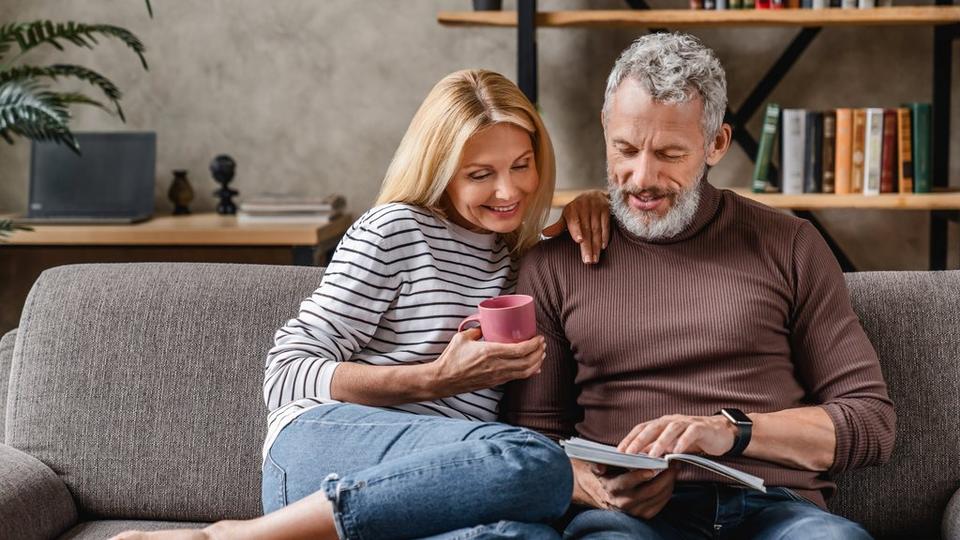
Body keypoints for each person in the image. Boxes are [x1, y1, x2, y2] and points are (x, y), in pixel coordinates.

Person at [110, 69, 611, 540]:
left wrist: (595, 204)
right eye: (480, 174)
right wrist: (434, 379)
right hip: (318, 455)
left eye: (522, 165)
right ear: (440, 171)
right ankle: (233, 535)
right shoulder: (395, 231)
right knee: (534, 461)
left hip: (428, 487)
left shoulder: (518, 256)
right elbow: (284, 373)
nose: (508, 190)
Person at [500, 32, 896, 539]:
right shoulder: (557, 261)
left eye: (669, 154)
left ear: (716, 145)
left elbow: (869, 423)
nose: (641, 177)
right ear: (604, 127)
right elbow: (530, 436)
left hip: (773, 509)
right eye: (625, 148)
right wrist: (594, 487)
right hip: (624, 519)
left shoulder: (789, 243)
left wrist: (729, 431)